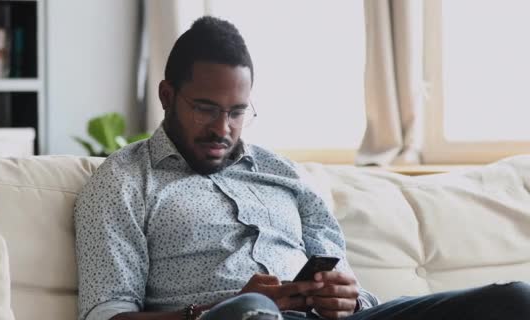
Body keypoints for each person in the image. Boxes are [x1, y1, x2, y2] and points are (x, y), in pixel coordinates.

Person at [74, 16, 530, 320]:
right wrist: (217, 307)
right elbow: (107, 316)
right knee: (252, 309)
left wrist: (348, 297)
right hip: (233, 317)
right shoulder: (122, 183)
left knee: (513, 300)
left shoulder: (283, 174)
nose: (223, 128)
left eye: (237, 111)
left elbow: (347, 279)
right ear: (167, 96)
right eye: (206, 108)